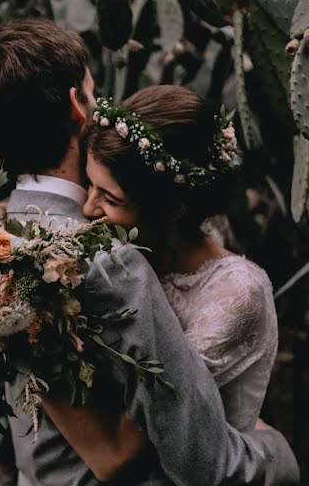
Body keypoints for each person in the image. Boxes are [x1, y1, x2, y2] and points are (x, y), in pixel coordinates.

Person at [0, 17, 298, 485]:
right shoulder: (109, 261)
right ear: (77, 106)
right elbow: (202, 460)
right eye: (93, 91)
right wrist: (276, 453)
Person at [83, 86, 278, 432]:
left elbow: (145, 423)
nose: (87, 209)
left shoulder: (237, 293)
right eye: (90, 185)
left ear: (172, 209)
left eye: (110, 200)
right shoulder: (138, 256)